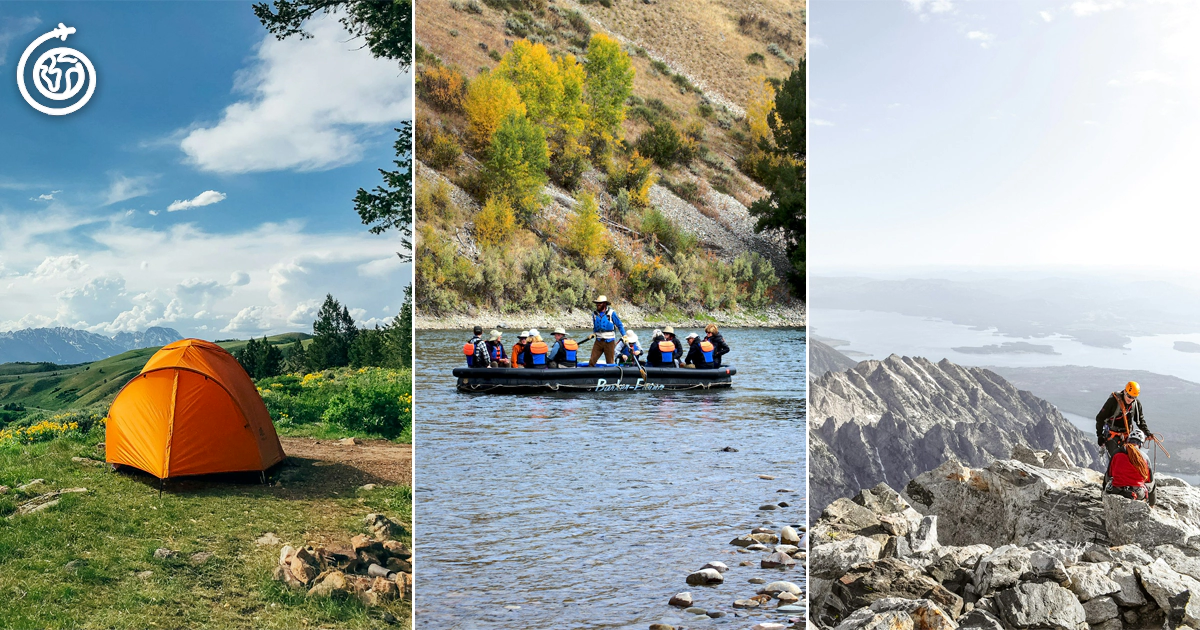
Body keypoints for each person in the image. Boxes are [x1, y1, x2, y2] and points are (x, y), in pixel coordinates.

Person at [1096, 381, 1152, 457]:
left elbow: (1140, 421)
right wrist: (1100, 435)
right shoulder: (1113, 401)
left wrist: (1147, 433)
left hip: (1127, 435)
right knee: (1115, 457)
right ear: (1125, 391)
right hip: (1112, 434)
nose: (1130, 399)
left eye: (1133, 397)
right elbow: (1100, 418)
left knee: (1129, 458)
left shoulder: (1136, 404)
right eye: (1129, 396)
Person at [1107, 428, 1152, 502]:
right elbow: (1149, 481)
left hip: (1117, 490)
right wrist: (1152, 503)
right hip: (1137, 493)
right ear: (1140, 444)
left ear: (1128, 440)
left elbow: (1109, 475)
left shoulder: (1117, 454)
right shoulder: (1144, 458)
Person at [588, 295, 626, 367]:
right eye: (597, 303)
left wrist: (624, 335)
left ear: (604, 304)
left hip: (609, 342)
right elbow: (595, 327)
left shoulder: (611, 313)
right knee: (592, 361)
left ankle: (611, 377)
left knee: (610, 363)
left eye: (600, 303)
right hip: (598, 341)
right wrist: (593, 334)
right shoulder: (594, 314)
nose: (597, 305)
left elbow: (619, 325)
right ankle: (591, 376)